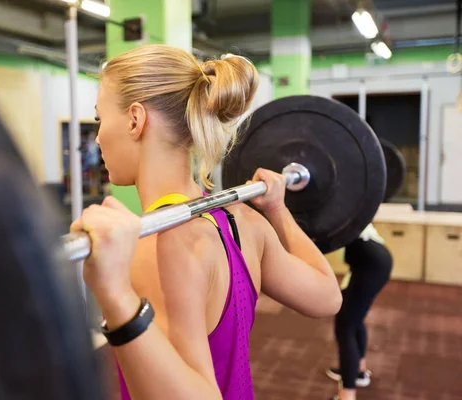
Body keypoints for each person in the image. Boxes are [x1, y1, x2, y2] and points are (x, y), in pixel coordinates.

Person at [70, 44, 343, 400]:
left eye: (99, 119)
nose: (98, 136)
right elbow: (327, 294)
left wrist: (117, 297)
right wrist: (278, 210)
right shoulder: (244, 220)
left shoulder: (160, 245)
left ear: (135, 120)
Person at [325, 223, 393, 400]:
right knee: (353, 318)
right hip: (371, 263)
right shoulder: (347, 210)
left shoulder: (341, 212)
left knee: (345, 326)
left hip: (371, 266)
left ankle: (347, 395)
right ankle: (359, 372)